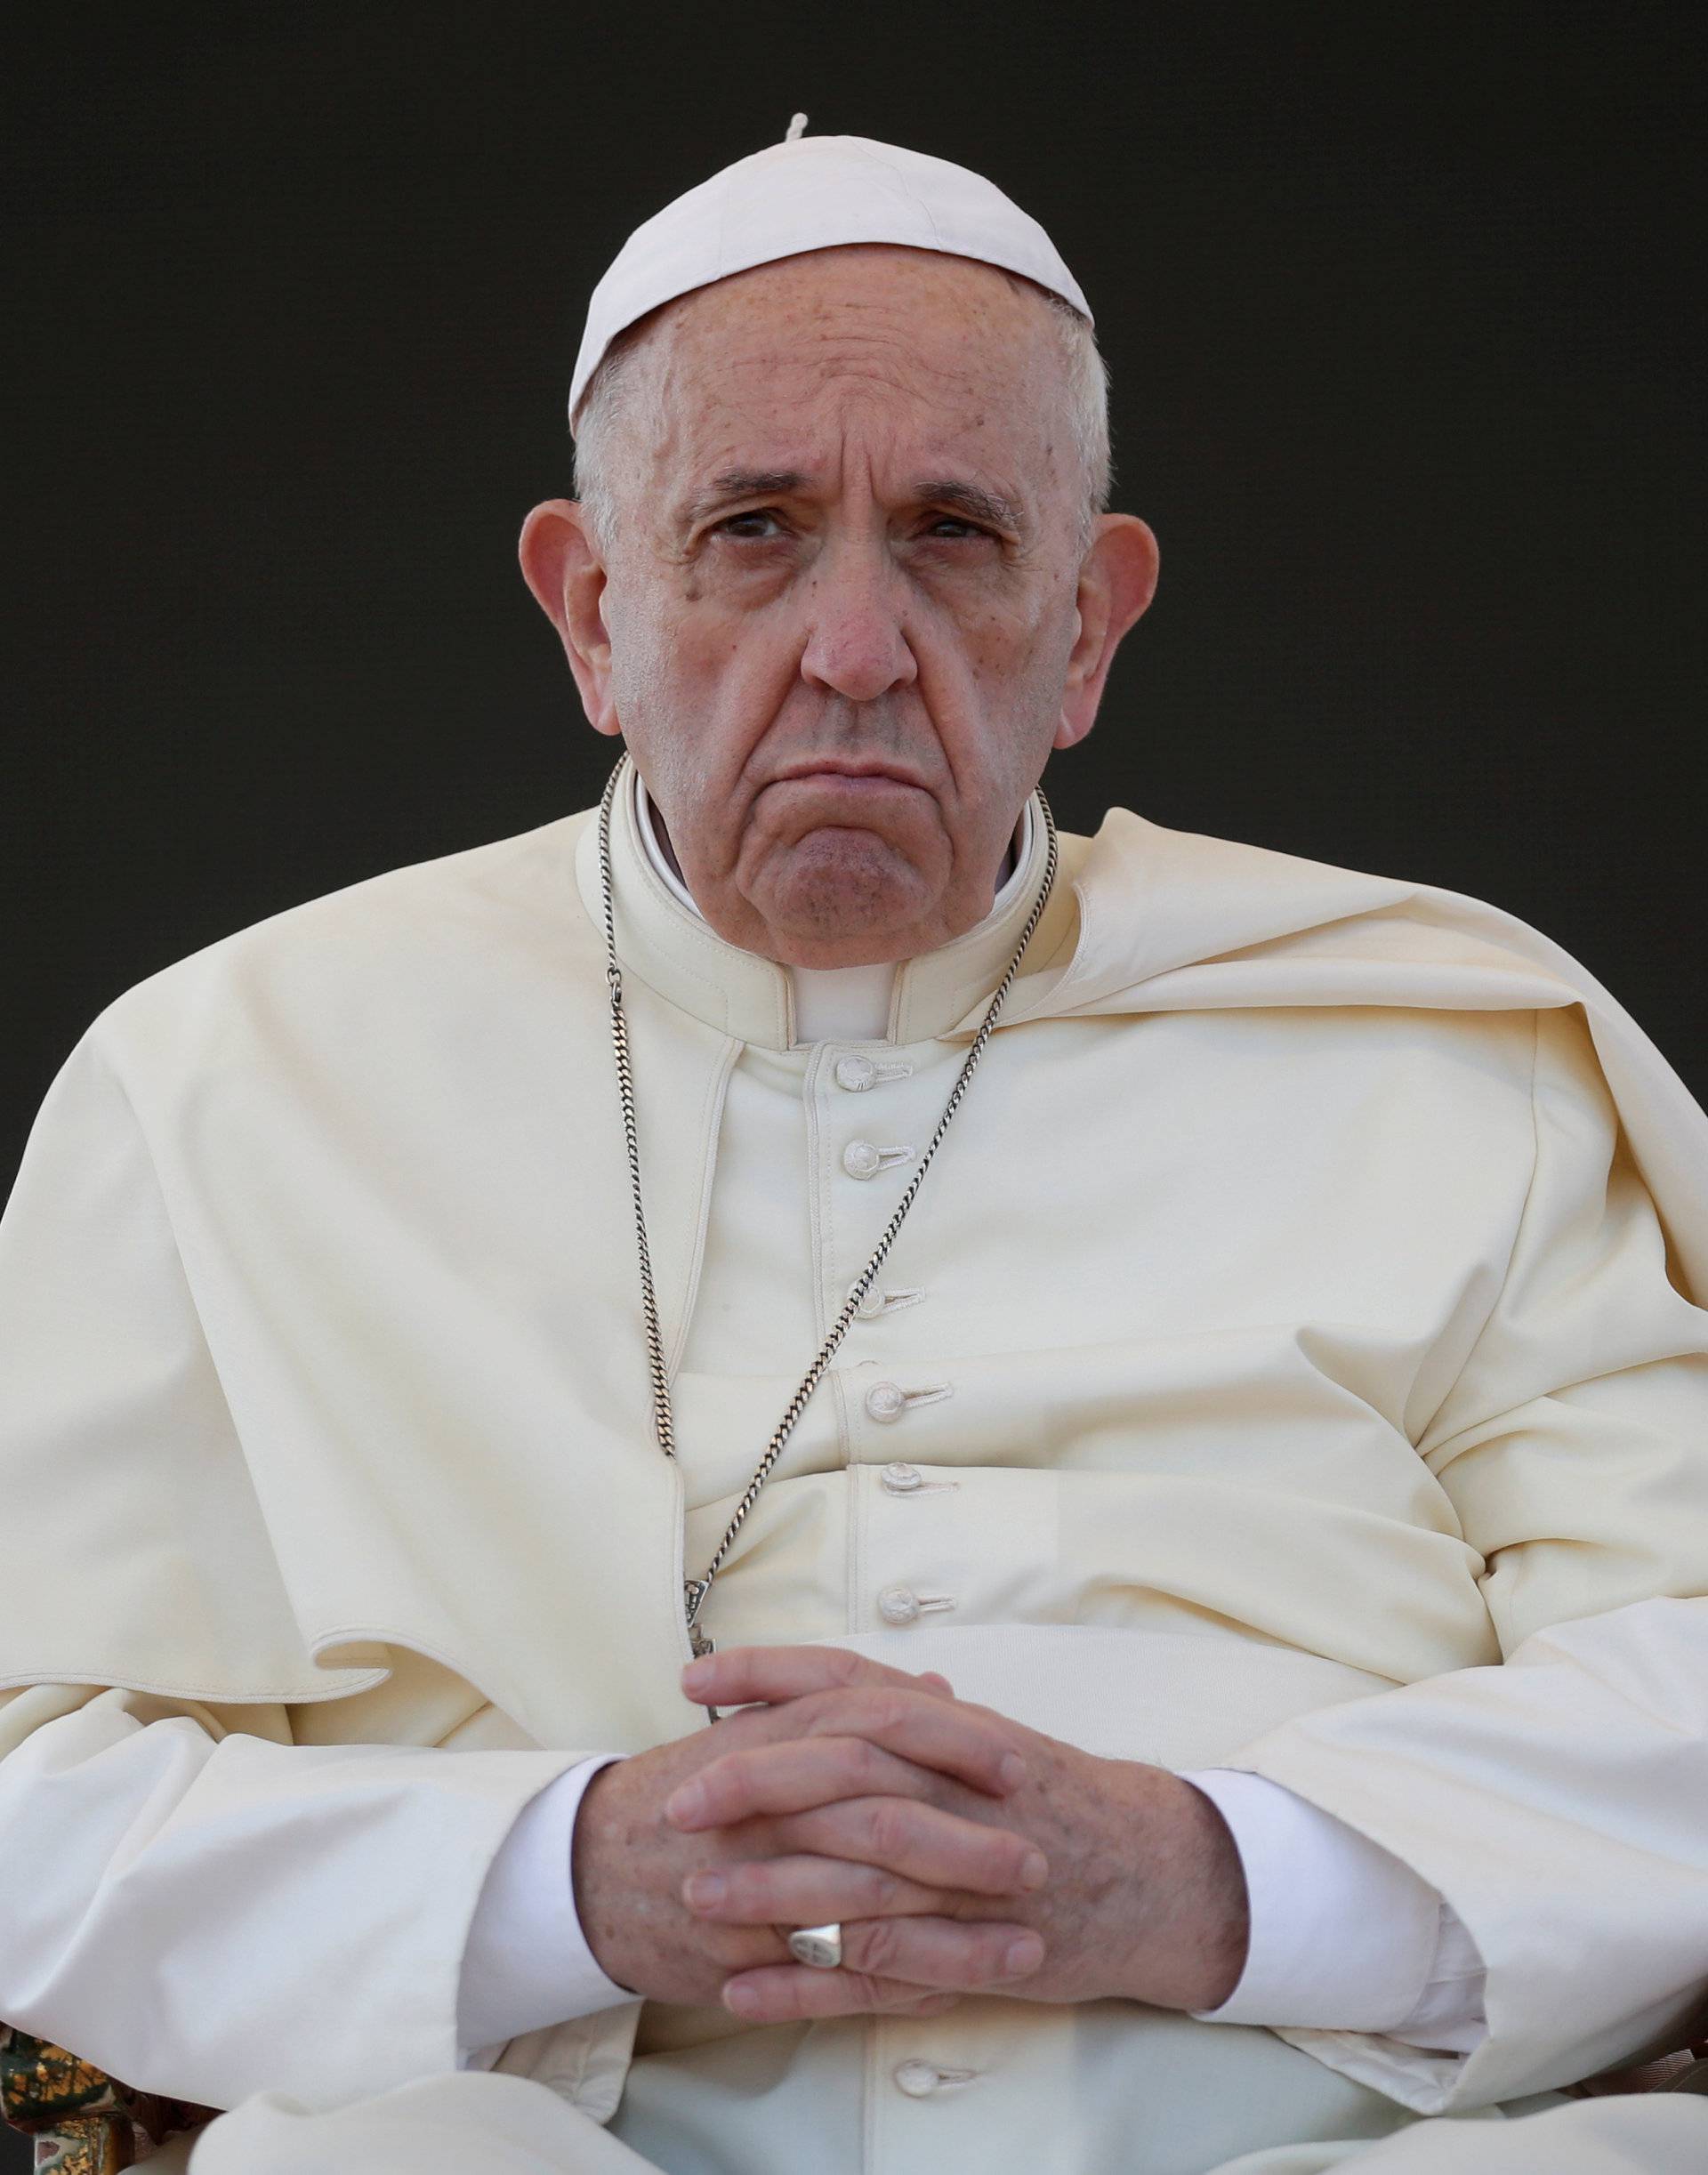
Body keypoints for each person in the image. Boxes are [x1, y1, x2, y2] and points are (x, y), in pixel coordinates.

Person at [2, 126, 1705, 2175]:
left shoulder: (1448, 1057)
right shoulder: (228, 1082)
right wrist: (568, 1877)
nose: (856, 650)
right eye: (752, 530)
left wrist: (1211, 1875)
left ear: (1088, 626)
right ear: (593, 611)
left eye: (959, 538)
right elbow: (33, 1779)